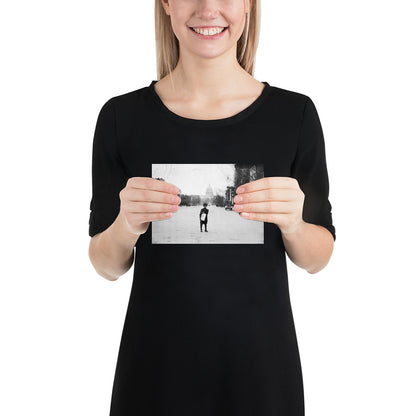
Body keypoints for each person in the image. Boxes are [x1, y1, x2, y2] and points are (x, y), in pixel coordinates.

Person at [88, 0, 336, 415]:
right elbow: (105, 264)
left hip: (262, 377)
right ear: (166, 3)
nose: (208, 9)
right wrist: (126, 224)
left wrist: (294, 222)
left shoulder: (294, 115)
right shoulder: (121, 117)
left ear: (249, 6)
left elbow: (318, 258)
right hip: (154, 377)